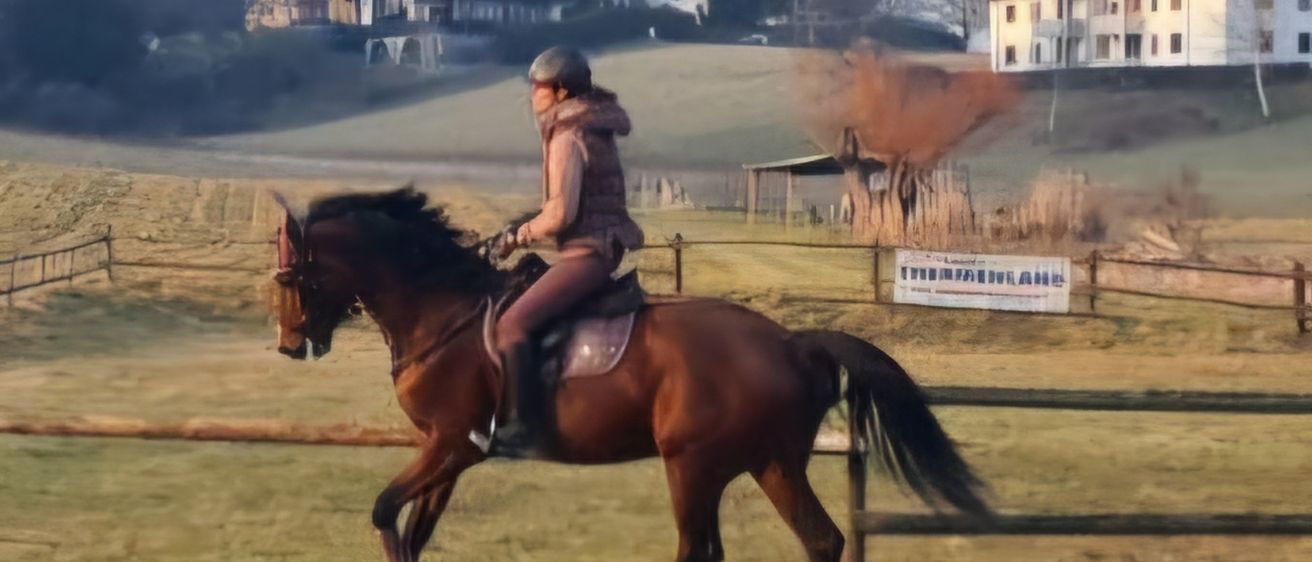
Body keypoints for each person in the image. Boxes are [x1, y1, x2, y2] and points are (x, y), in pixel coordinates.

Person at [493, 46, 644, 455]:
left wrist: (519, 235)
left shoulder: (568, 133)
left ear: (560, 91)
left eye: (538, 88)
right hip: (595, 246)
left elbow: (561, 213)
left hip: (587, 254)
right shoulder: (588, 124)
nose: (532, 96)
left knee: (511, 325)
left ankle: (521, 429)